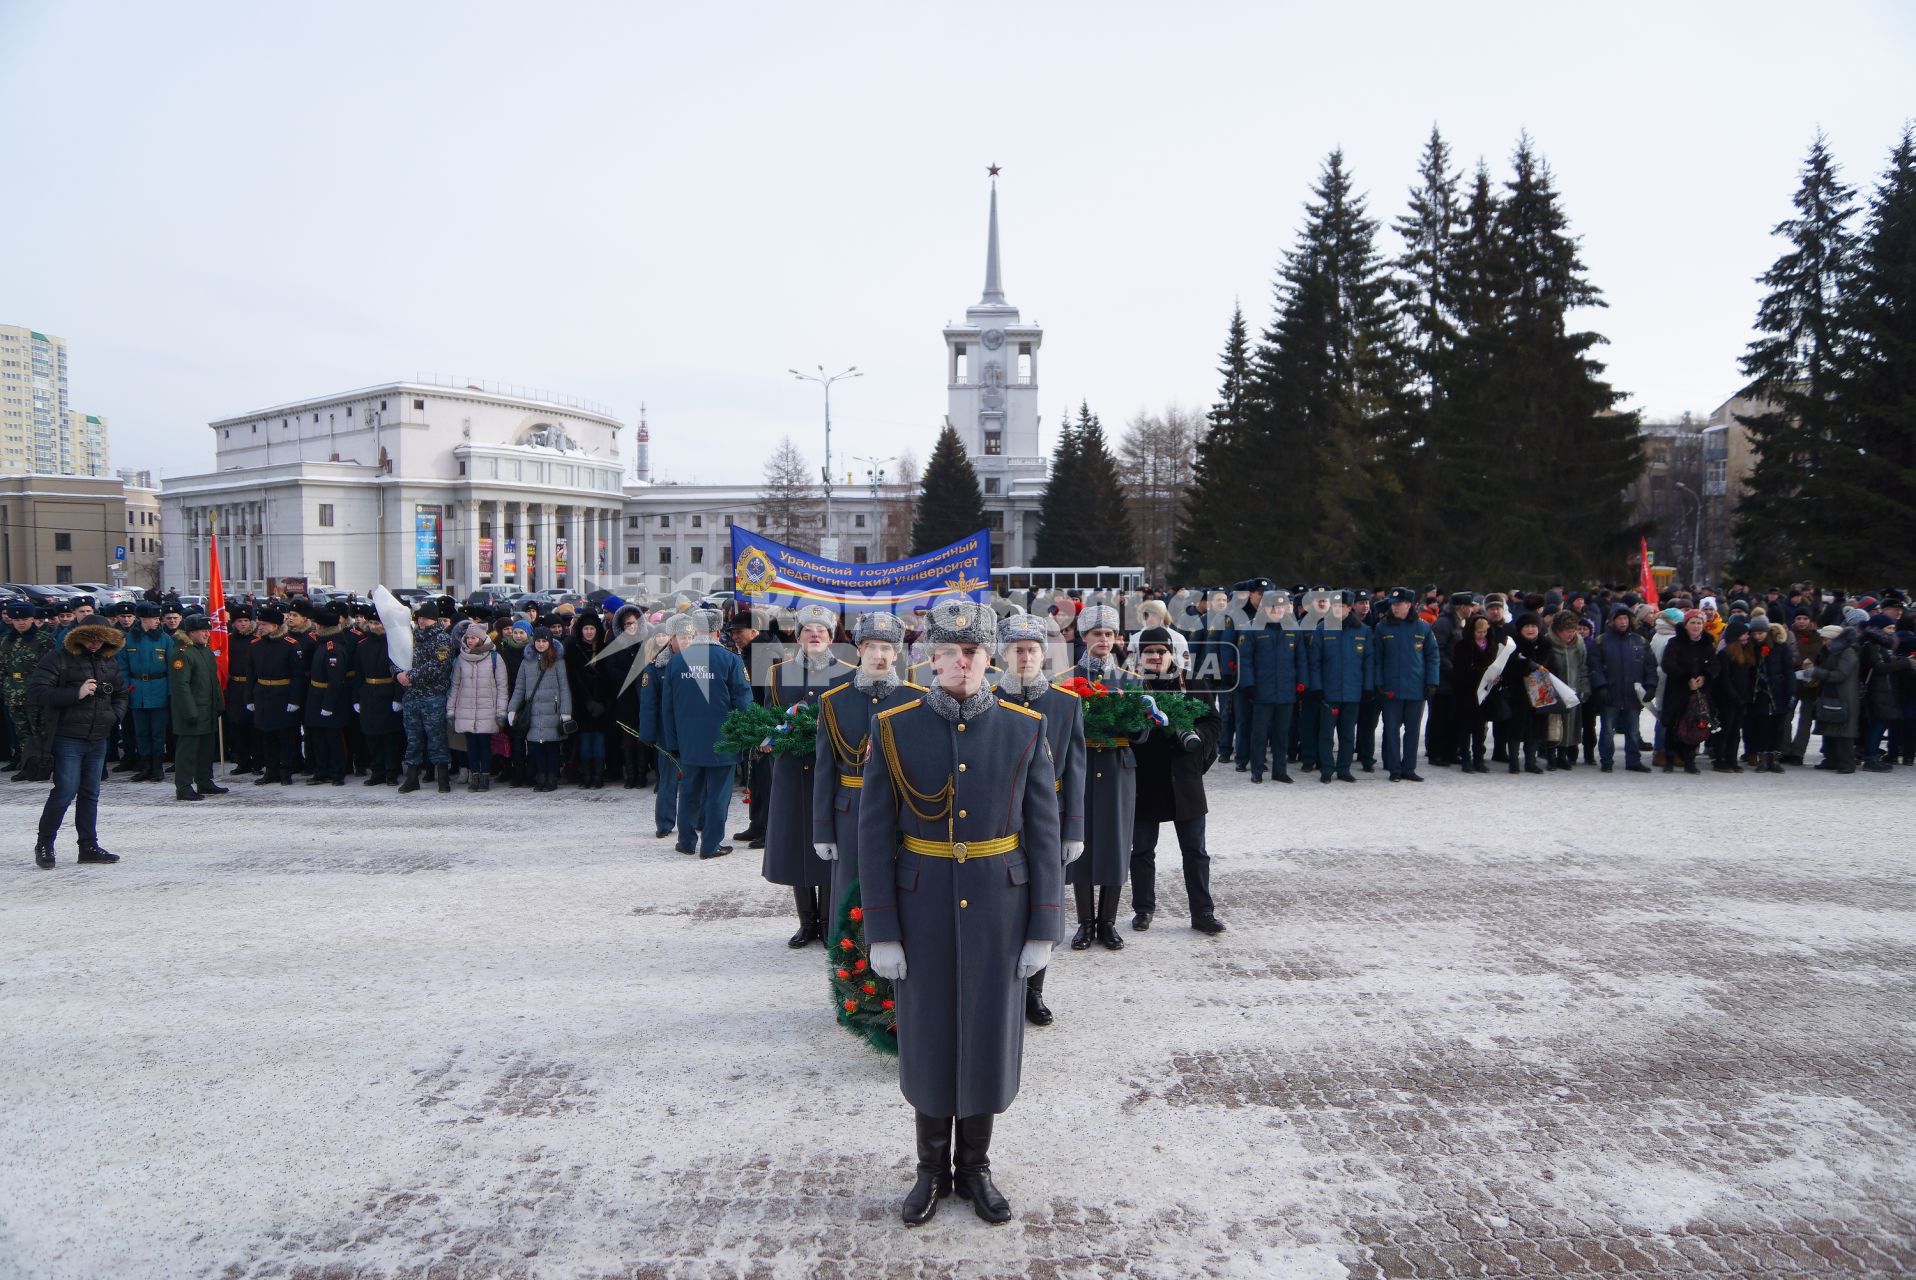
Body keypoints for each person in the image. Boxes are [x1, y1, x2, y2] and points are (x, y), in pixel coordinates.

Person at [857, 597, 1062, 1226]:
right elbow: (873, 835)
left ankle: (974, 1168)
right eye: (952, 653)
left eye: (974, 652)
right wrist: (883, 928)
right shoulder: (895, 726)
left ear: (989, 658)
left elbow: (1044, 832)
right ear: (932, 659)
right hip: (921, 905)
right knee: (928, 1035)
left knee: (988, 1036)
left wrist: (1044, 926)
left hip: (1001, 904)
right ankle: (928, 1170)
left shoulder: (1024, 726)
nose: (964, 664)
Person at [993, 612, 1086, 1026]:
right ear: (1003, 655)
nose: (1025, 657)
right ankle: (1002, 988)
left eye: (1032, 650)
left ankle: (1036, 991)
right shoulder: (989, 700)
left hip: (1050, 817)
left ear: (1043, 655)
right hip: (1002, 820)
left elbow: (1077, 770)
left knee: (1045, 902)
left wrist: (1075, 828)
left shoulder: (1065, 703)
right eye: (1016, 650)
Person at [814, 612, 924, 959]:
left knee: (901, 887)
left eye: (887, 647)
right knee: (848, 890)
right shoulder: (834, 700)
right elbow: (825, 769)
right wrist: (822, 830)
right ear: (858, 650)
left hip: (902, 808)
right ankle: (847, 973)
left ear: (897, 654)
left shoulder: (917, 698)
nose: (879, 654)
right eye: (871, 646)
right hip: (851, 811)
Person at [762, 604, 854, 944]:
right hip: (790, 772)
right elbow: (769, 717)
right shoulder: (778, 673)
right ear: (797, 635)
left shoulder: (847, 672)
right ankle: (807, 922)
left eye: (822, 631)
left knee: (830, 847)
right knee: (796, 845)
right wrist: (768, 737)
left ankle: (829, 922)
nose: (815, 635)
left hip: (828, 773)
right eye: (808, 630)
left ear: (831, 638)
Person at [1128, 627, 1225, 936]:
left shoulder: (1192, 681)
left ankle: (1203, 912)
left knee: (1196, 850)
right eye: (1149, 652)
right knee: (1142, 849)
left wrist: (1196, 746)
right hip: (1146, 778)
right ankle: (1143, 909)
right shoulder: (1131, 683)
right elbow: (1122, 726)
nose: (1155, 657)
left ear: (1171, 652)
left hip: (1184, 778)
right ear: (1140, 656)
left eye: (1160, 651)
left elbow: (1212, 720)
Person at [28, 617, 129, 869]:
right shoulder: (58, 657)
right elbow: (37, 691)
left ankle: (88, 846)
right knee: (64, 792)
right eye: (90, 638)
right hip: (68, 737)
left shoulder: (108, 660)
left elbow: (121, 693)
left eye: (100, 639)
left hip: (98, 737)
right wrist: (77, 693)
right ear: (79, 636)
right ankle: (44, 844)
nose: (95, 644)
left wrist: (113, 715)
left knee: (90, 794)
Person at [1068, 604, 1135, 951]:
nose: (1104, 640)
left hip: (1116, 769)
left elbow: (1144, 734)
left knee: (1114, 843)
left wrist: (1130, 717)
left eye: (1109, 634)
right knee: (1081, 843)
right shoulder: (1065, 679)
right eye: (1097, 634)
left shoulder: (1130, 680)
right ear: (1084, 638)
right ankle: (1084, 923)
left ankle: (1107, 922)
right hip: (1081, 768)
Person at [660, 609, 752, 859]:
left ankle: (686, 841)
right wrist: (746, 738)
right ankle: (711, 845)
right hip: (724, 741)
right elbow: (744, 704)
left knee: (689, 792)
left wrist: (672, 741)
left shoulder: (677, 661)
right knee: (718, 796)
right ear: (717, 630)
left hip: (689, 741)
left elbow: (667, 707)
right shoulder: (730, 660)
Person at [1374, 587, 1438, 782]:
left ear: (1409, 605)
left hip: (1415, 687)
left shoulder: (1423, 627)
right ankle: (1394, 768)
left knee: (1412, 730)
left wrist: (1432, 681)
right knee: (1391, 729)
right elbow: (1377, 658)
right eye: (1393, 604)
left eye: (1399, 604)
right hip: (1391, 688)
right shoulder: (1382, 628)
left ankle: (1409, 767)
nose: (1395, 608)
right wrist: (1378, 682)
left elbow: (1432, 657)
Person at [1239, 590, 1303, 784]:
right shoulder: (1252, 628)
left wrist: (1301, 685)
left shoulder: (1293, 629)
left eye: (1281, 606)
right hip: (1262, 690)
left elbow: (1301, 660)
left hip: (1286, 691)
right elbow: (1245, 660)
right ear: (1264, 607)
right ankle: (1257, 771)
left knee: (1282, 734)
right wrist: (1249, 684)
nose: (1277, 610)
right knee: (1259, 733)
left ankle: (1279, 771)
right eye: (1273, 606)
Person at [1313, 590, 1373, 783]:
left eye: (1343, 606)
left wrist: (1367, 688)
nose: (1339, 610)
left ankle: (1344, 768)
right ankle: (1327, 769)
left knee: (1347, 734)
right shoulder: (1322, 629)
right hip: (1329, 692)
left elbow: (1369, 662)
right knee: (1326, 734)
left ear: (1349, 608)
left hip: (1352, 692)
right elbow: (1315, 662)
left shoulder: (1363, 631)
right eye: (1335, 606)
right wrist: (1317, 687)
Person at [397, 602, 457, 794]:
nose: (421, 621)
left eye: (425, 617)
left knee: (437, 738)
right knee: (413, 738)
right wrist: (397, 673)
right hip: (412, 696)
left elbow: (438, 666)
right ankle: (412, 778)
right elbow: (396, 656)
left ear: (434, 618)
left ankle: (443, 779)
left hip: (433, 696)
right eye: (419, 618)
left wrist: (411, 676)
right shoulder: (412, 637)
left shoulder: (442, 639)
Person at [167, 614, 228, 801]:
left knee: (206, 749)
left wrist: (219, 703)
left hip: (207, 710)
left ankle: (205, 781)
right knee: (188, 750)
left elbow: (213, 682)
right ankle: (184, 786)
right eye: (203, 631)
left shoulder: (206, 651)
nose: (207, 634)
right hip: (192, 711)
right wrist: (190, 711)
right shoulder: (183, 653)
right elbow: (181, 686)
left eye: (207, 630)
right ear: (191, 632)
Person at [507, 627, 574, 792]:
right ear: (534, 642)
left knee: (551, 746)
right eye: (538, 641)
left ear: (549, 642)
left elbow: (564, 688)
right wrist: (512, 708)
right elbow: (519, 688)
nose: (541, 644)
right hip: (534, 711)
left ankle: (551, 777)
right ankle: (541, 776)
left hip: (553, 709)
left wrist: (566, 711)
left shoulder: (558, 661)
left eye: (544, 641)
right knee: (536, 746)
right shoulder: (526, 662)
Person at [1591, 604, 1656, 773]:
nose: (1623, 622)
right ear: (1612, 621)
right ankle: (1606, 760)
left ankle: (1633, 760)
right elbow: (1594, 667)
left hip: (1632, 694)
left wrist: (1650, 686)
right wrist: (1600, 686)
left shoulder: (1639, 641)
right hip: (1610, 693)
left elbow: (1649, 666)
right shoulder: (1601, 641)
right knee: (1607, 729)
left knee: (1633, 730)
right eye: (1619, 619)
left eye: (1626, 618)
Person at [447, 617, 509, 791]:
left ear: (481, 638)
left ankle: (485, 776)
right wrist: (451, 709)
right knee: (471, 746)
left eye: (474, 638)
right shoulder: (461, 658)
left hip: (487, 709)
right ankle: (474, 775)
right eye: (468, 638)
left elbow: (502, 687)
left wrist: (501, 711)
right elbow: (455, 685)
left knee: (484, 745)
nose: (470, 640)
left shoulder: (495, 658)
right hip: (465, 709)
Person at [248, 605, 307, 786]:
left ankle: (285, 771)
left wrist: (295, 700)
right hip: (263, 695)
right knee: (267, 735)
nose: (260, 628)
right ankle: (270, 771)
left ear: (275, 626)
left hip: (283, 695)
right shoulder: (256, 645)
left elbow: (298, 675)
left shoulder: (291, 645)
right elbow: (250, 674)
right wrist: (249, 699)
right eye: (259, 624)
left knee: (285, 736)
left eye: (264, 624)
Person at [345, 607, 403, 786]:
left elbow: (401, 671)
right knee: (372, 736)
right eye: (371, 623)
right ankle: (377, 771)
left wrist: (398, 697)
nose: (373, 626)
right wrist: (356, 698)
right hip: (369, 693)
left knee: (389, 737)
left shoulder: (393, 644)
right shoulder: (362, 645)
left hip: (387, 692)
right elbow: (358, 674)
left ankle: (392, 772)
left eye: (377, 623)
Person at [117, 601, 175, 783]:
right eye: (152, 619)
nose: (157, 622)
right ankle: (145, 765)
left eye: (158, 618)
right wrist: (126, 687)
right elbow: (122, 666)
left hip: (159, 688)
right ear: (142, 619)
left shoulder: (165, 639)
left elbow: (172, 668)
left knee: (158, 732)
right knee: (141, 732)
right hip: (137, 690)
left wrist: (170, 692)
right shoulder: (129, 639)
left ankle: (157, 767)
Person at [636, 625, 683, 837]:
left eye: (689, 637)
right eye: (680, 637)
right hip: (667, 733)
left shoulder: (701, 665)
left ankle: (698, 819)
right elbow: (648, 704)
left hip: (693, 732)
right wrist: (647, 734)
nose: (685, 642)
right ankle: (665, 822)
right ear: (671, 640)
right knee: (668, 780)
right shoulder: (656, 668)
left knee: (698, 778)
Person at [1659, 610, 1718, 775]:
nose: (1696, 626)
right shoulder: (1674, 642)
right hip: (1678, 691)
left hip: (1698, 693)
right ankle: (1669, 759)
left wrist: (1705, 677)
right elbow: (1668, 664)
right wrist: (1686, 678)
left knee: (1695, 725)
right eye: (1692, 622)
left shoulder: (1707, 643)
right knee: (1674, 725)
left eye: (1699, 623)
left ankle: (1689, 760)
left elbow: (1714, 665)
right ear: (1685, 625)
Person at [4, 599, 55, 782]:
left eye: (25, 619)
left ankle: (44, 766)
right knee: (22, 733)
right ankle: (28, 767)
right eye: (17, 620)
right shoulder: (6, 641)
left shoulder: (44, 640)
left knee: (40, 732)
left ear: (33, 619)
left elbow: (51, 668)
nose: (21, 622)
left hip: (36, 693)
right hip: (13, 693)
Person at [302, 604, 352, 786]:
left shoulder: (333, 648)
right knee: (318, 737)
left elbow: (335, 679)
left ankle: (337, 772)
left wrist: (328, 705)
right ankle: (322, 771)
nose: (314, 627)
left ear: (322, 627)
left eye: (316, 624)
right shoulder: (322, 644)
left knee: (333, 738)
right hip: (316, 695)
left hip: (328, 698)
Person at [1804, 621, 1862, 774]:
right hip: (1832, 694)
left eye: (1826, 639)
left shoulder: (1847, 652)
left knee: (1843, 732)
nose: (1824, 642)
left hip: (1844, 696)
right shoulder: (1832, 651)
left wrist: (1816, 672)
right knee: (1830, 727)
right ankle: (1831, 760)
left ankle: (1846, 763)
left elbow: (1840, 674)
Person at [1447, 612, 1498, 773]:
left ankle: (1479, 759)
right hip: (1466, 693)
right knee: (1465, 728)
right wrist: (1482, 672)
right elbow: (1460, 671)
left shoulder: (1491, 645)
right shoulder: (1463, 646)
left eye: (1485, 632)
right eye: (1479, 632)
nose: (1482, 635)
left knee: (1480, 729)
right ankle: (1466, 759)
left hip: (1484, 694)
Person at [565, 610, 611, 789]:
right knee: (584, 741)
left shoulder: (604, 649)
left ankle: (598, 775)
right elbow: (573, 678)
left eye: (592, 628)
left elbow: (608, 678)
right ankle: (586, 774)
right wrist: (587, 701)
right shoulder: (574, 649)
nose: (589, 632)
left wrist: (601, 702)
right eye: (586, 628)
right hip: (582, 704)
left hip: (601, 704)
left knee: (598, 740)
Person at [1542, 610, 1593, 771]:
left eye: (1573, 631)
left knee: (1570, 724)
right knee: (1552, 724)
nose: (1571, 634)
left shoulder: (1579, 643)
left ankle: (1563, 755)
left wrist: (1584, 687)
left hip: (1573, 690)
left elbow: (1583, 667)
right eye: (1567, 631)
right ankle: (1551, 756)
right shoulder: (1547, 642)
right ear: (1558, 631)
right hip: (1553, 690)